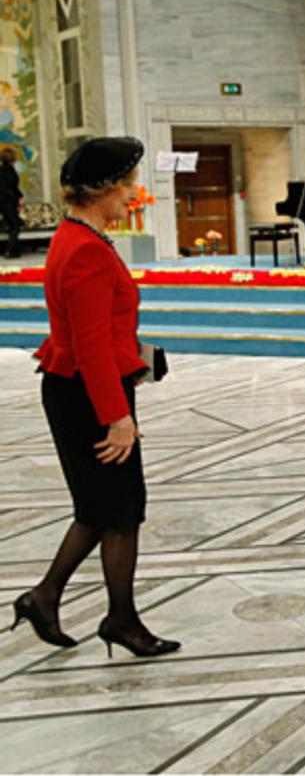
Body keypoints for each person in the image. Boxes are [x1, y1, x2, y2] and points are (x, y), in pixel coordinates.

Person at [11, 137, 180, 659]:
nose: (133, 194)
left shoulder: (78, 237)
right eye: (126, 185)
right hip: (87, 394)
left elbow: (100, 333)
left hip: (81, 386)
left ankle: (45, 598)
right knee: (120, 510)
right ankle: (120, 620)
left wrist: (133, 367)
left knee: (101, 507)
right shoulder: (85, 248)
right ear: (101, 189)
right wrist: (117, 417)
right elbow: (89, 345)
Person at [0, 146, 21, 259]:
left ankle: (14, 250)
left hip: (2, 202)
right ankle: (10, 250)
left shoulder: (1, 170)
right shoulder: (10, 171)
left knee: (10, 225)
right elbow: (13, 187)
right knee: (15, 226)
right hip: (9, 202)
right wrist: (20, 196)